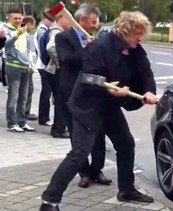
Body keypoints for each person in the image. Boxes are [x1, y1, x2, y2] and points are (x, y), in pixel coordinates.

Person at [39, 10, 158, 211]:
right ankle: (49, 201)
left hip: (109, 106)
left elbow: (146, 72)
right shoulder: (100, 47)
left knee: (126, 144)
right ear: (125, 30)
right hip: (88, 104)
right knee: (80, 152)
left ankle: (126, 190)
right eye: (137, 32)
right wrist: (109, 87)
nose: (141, 37)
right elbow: (88, 77)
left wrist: (148, 91)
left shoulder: (135, 49)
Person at [52, 4, 111, 188]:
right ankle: (84, 172)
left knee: (98, 133)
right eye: (93, 22)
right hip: (71, 94)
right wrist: (87, 49)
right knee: (77, 137)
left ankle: (96, 170)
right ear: (82, 21)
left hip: (94, 93)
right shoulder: (63, 37)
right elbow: (66, 60)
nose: (96, 25)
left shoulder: (97, 38)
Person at [4, 10, 35, 132]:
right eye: (15, 18)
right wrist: (17, 33)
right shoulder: (6, 30)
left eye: (19, 18)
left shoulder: (24, 31)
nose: (18, 21)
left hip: (25, 66)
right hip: (13, 66)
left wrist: (29, 63)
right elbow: (6, 44)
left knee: (24, 96)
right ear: (8, 18)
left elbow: (27, 50)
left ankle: (22, 122)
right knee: (13, 96)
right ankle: (12, 123)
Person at [44, 12, 70, 138]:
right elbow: (50, 48)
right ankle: (59, 128)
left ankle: (59, 127)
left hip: (54, 70)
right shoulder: (57, 31)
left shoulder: (55, 30)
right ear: (61, 19)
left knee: (60, 99)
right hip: (56, 70)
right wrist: (61, 61)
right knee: (61, 100)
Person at [34, 12, 53, 126]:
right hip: (43, 66)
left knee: (46, 92)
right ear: (45, 19)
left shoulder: (41, 30)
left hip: (42, 65)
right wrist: (46, 63)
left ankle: (44, 117)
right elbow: (42, 49)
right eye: (50, 20)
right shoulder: (42, 31)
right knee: (46, 92)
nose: (52, 23)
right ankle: (43, 117)